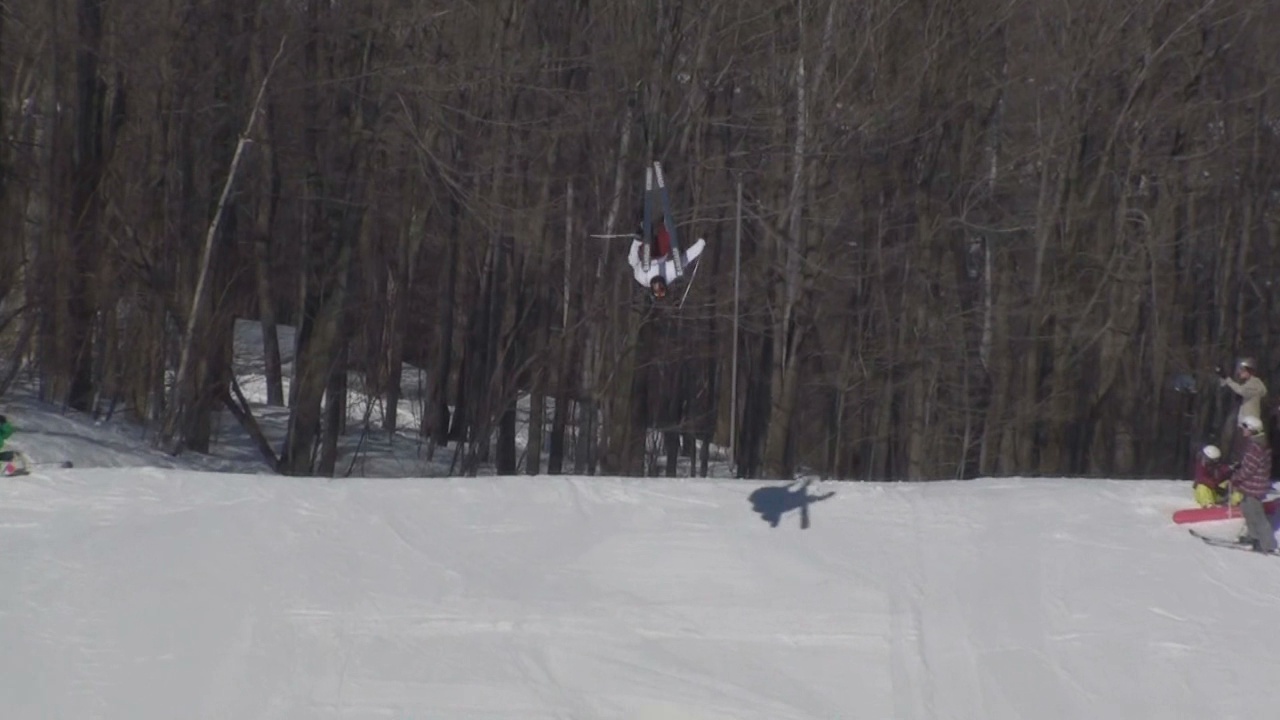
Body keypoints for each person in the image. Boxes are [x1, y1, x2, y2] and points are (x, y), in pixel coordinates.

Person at [1229, 415, 1275, 553]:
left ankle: (1267, 544)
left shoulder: (1256, 447)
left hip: (1253, 487)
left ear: (1252, 430)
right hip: (1250, 486)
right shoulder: (1257, 444)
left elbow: (1249, 469)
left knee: (1257, 515)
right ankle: (1254, 537)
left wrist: (1235, 478)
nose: (1243, 430)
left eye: (1245, 428)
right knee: (1248, 512)